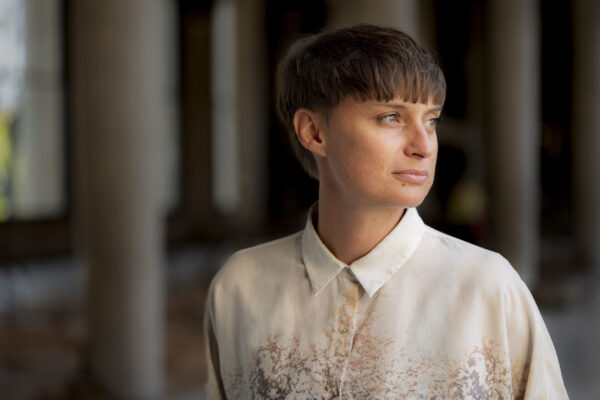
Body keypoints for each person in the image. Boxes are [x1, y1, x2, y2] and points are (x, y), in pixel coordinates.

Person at [203, 24, 569, 399]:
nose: (424, 146)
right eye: (391, 117)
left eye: (431, 120)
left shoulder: (486, 287)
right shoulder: (239, 288)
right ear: (313, 132)